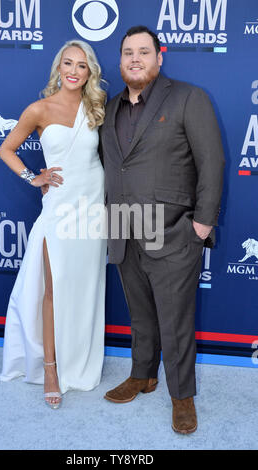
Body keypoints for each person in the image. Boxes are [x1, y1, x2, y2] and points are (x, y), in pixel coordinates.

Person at [99, 26, 225, 433]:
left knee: (176, 320)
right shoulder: (111, 107)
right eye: (127, 52)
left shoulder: (189, 97)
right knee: (140, 315)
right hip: (123, 226)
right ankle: (143, 374)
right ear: (119, 61)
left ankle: (182, 396)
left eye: (143, 52)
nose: (135, 58)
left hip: (173, 231)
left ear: (159, 57)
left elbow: (212, 162)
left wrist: (201, 225)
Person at [0, 40, 107, 409]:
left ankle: (78, 361)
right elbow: (6, 149)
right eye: (68, 63)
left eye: (81, 65)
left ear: (89, 71)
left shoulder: (97, 107)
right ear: (58, 68)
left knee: (84, 285)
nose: (74, 71)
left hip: (93, 205)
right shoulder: (39, 109)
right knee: (53, 288)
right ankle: (50, 369)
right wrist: (33, 177)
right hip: (59, 206)